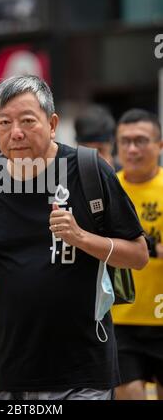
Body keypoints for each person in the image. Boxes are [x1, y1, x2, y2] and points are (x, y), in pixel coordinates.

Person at [0, 75, 148, 401]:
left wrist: (81, 237)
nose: (15, 132)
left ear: (52, 123)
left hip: (84, 368)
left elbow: (138, 255)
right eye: (4, 122)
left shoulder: (89, 170)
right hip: (14, 368)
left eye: (27, 120)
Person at [112, 109, 163, 400]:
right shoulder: (108, 188)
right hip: (120, 320)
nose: (132, 149)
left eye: (141, 141)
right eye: (125, 141)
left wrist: (146, 248)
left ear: (159, 145)